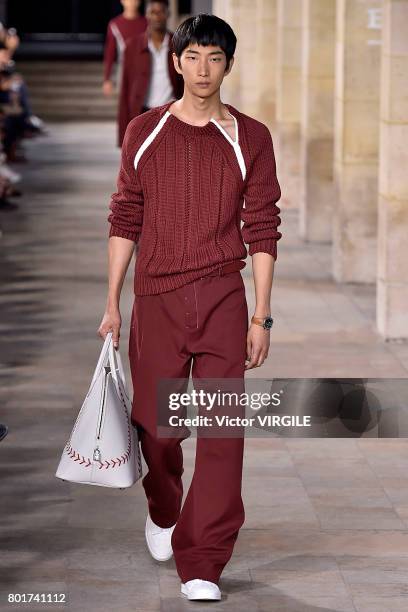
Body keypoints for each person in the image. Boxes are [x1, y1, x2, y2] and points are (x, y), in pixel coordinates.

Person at [99, 13, 282, 602]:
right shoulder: (144, 131)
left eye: (215, 57)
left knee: (222, 428)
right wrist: (112, 303)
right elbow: (126, 214)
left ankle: (203, 558)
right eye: (193, 56)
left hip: (225, 298)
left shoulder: (250, 136)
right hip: (156, 296)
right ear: (175, 62)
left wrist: (261, 315)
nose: (203, 69)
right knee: (159, 428)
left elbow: (263, 226)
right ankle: (164, 506)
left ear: (229, 65)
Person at [118, 0, 184, 147]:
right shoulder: (132, 46)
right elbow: (125, 89)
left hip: (172, 113)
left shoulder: (179, 45)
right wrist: (123, 136)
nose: (157, 17)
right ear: (147, 15)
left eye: (161, 12)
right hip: (143, 113)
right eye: (153, 12)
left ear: (168, 14)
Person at [102, 0, 147, 98]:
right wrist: (107, 78)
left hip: (144, 70)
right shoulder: (114, 24)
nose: (132, 2)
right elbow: (110, 53)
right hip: (124, 70)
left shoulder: (147, 23)